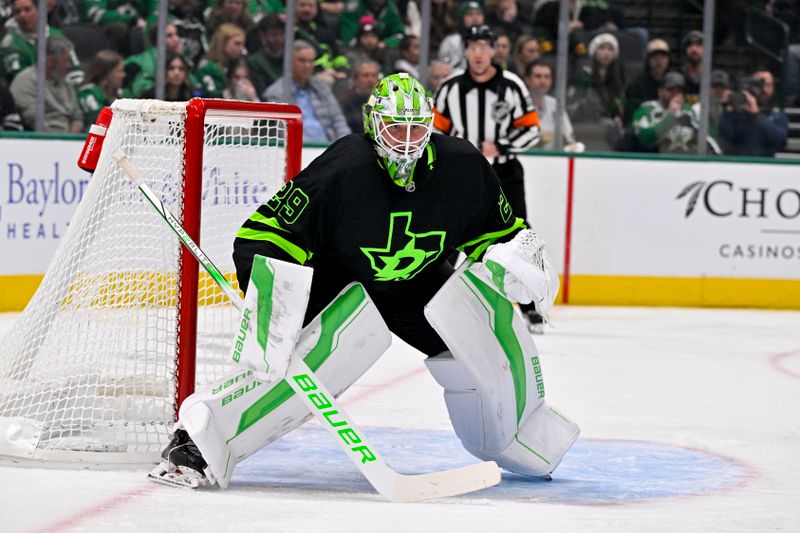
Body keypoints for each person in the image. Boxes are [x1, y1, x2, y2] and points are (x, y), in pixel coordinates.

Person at [149, 72, 577, 490]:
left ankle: (523, 434)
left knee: (482, 322)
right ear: (374, 124)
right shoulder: (345, 166)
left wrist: (523, 263)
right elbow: (266, 233)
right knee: (313, 357)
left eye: (416, 128)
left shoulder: (463, 166)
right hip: (339, 279)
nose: (407, 141)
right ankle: (198, 442)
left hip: (416, 283)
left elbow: (502, 235)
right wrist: (273, 299)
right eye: (395, 128)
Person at [433, 25, 543, 331]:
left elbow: (532, 127)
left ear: (494, 50)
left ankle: (530, 305)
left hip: (505, 173)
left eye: (484, 47)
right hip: (463, 174)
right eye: (472, 47)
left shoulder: (512, 85)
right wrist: (454, 155)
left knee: (518, 237)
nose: (478, 53)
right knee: (449, 234)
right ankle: (438, 300)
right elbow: (434, 131)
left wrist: (503, 146)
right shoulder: (450, 87)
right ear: (465, 50)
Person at [263, 40, 351, 142]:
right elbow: (281, 132)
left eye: (310, 61)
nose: (307, 66)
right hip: (297, 150)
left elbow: (338, 121)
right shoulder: (275, 94)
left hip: (327, 147)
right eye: (302, 61)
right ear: (289, 62)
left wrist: (345, 145)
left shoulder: (322, 88)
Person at [631, 71, 719, 154]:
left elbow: (706, 135)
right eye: (671, 90)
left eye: (679, 91)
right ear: (660, 91)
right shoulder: (647, 109)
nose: (675, 94)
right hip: (656, 162)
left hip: (688, 162)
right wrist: (670, 115)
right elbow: (644, 139)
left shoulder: (688, 110)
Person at [9, 35, 82, 132]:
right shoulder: (25, 81)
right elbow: (33, 118)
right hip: (42, 140)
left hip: (69, 139)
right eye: (66, 60)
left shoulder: (64, 81)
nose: (69, 65)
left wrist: (71, 139)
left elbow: (77, 116)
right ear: (50, 62)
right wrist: (56, 142)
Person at [1, 0, 82, 85]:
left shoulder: (57, 34)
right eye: (17, 12)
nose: (22, 15)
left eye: (27, 9)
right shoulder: (10, 43)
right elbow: (22, 82)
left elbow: (75, 72)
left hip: (61, 90)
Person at [718, 68, 789, 157]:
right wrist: (727, 111)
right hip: (737, 165)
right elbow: (725, 138)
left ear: (773, 88)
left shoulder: (778, 117)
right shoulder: (737, 114)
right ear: (750, 85)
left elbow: (779, 140)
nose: (764, 89)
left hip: (766, 166)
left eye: (768, 85)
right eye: (759, 85)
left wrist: (756, 115)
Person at [525, 60, 578, 151]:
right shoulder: (516, 103)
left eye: (547, 77)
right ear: (527, 79)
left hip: (552, 160)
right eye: (538, 76)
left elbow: (569, 138)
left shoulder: (555, 104)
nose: (543, 80)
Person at [123, 21, 182, 98]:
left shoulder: (180, 60)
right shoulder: (142, 62)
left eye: (176, 34)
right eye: (169, 36)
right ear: (157, 39)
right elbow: (140, 91)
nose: (177, 39)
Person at [623, 38, 671, 124]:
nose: (659, 61)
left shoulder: (674, 84)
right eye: (655, 57)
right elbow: (630, 116)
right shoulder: (636, 86)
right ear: (648, 60)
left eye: (663, 57)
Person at [196, 23, 247, 98]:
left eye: (242, 44)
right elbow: (212, 95)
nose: (241, 48)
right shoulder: (206, 67)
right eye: (237, 43)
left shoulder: (237, 65)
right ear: (223, 42)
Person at [78, 49, 125, 128]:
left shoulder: (119, 93)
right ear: (106, 73)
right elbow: (98, 118)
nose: (123, 75)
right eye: (119, 71)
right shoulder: (87, 92)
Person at [437, 0, 484, 72]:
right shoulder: (451, 40)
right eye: (470, 14)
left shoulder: (488, 41)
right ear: (462, 18)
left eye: (478, 14)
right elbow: (442, 65)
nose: (475, 18)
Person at [337, 58, 380, 133]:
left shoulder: (385, 100)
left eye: (374, 75)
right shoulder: (345, 101)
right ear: (355, 79)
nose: (370, 80)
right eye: (365, 76)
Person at [247, 13, 285, 97]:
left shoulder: (291, 57)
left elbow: (317, 53)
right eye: (273, 35)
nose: (278, 39)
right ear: (263, 35)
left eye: (281, 34)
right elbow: (263, 93)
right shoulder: (255, 61)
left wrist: (297, 28)